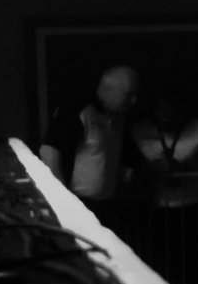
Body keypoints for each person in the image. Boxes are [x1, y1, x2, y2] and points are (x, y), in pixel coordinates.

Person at [41, 64, 142, 199]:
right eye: (129, 94)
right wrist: (61, 196)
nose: (134, 100)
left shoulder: (120, 119)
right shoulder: (78, 111)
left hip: (107, 204)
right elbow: (50, 152)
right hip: (77, 201)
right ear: (108, 89)